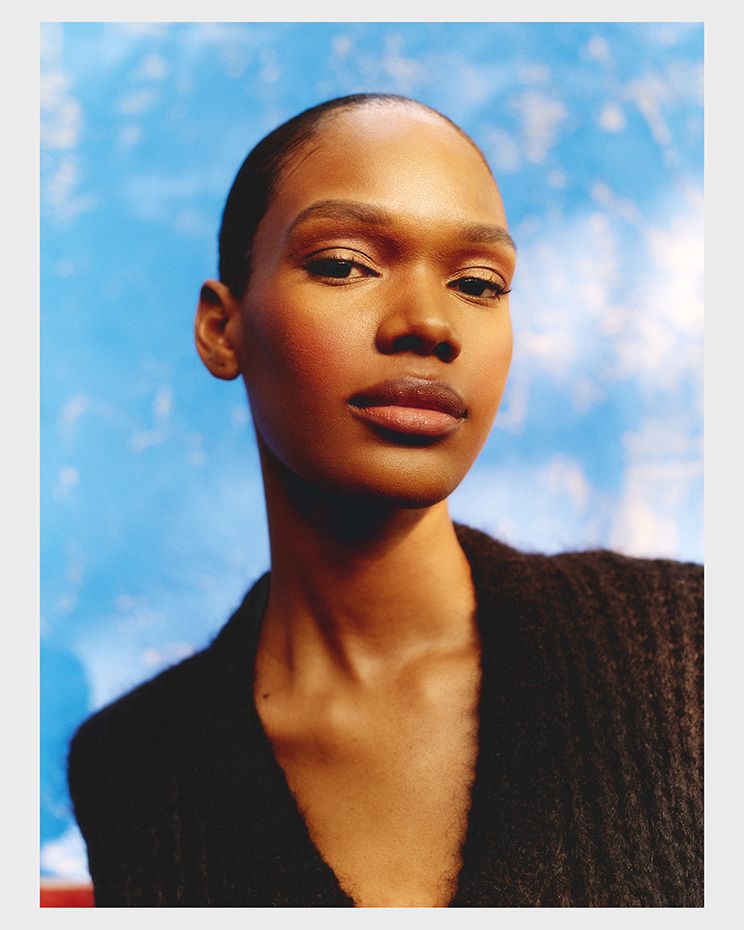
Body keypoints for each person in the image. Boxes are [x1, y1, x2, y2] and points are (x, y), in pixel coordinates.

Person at [67, 93, 703, 908]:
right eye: (343, 265)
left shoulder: (693, 647)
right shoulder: (135, 768)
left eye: (479, 283)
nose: (430, 323)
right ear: (222, 330)